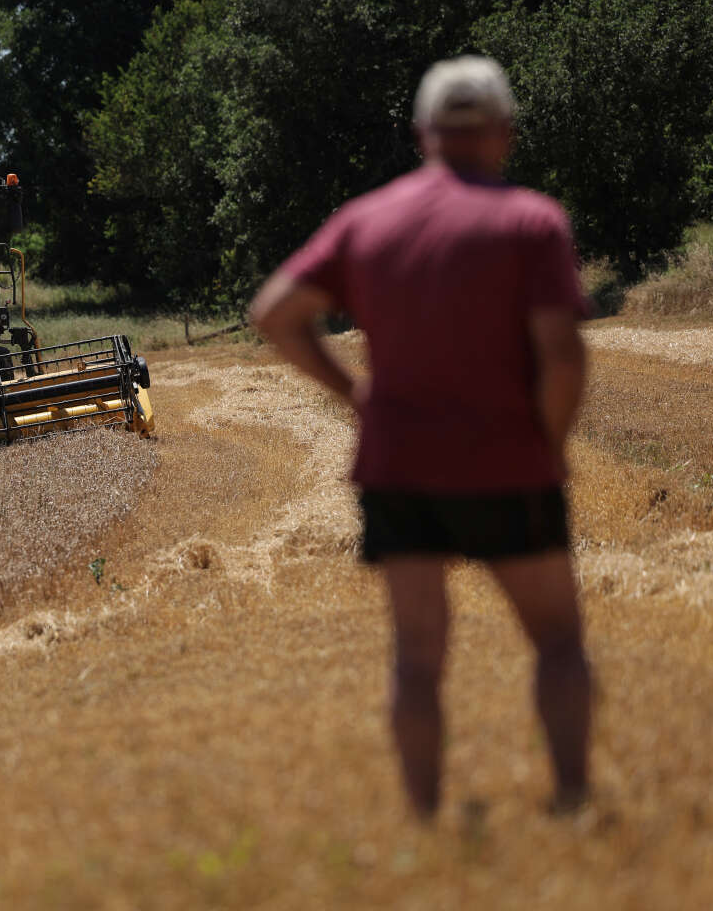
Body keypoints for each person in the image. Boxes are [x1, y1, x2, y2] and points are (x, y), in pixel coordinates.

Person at [248, 55, 592, 818]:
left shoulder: (367, 220)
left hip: (398, 465)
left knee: (417, 656)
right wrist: (551, 440)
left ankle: (424, 820)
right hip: (509, 459)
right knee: (558, 640)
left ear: (422, 133)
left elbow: (274, 312)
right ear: (503, 131)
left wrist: (356, 395)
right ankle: (569, 801)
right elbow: (562, 353)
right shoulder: (532, 222)